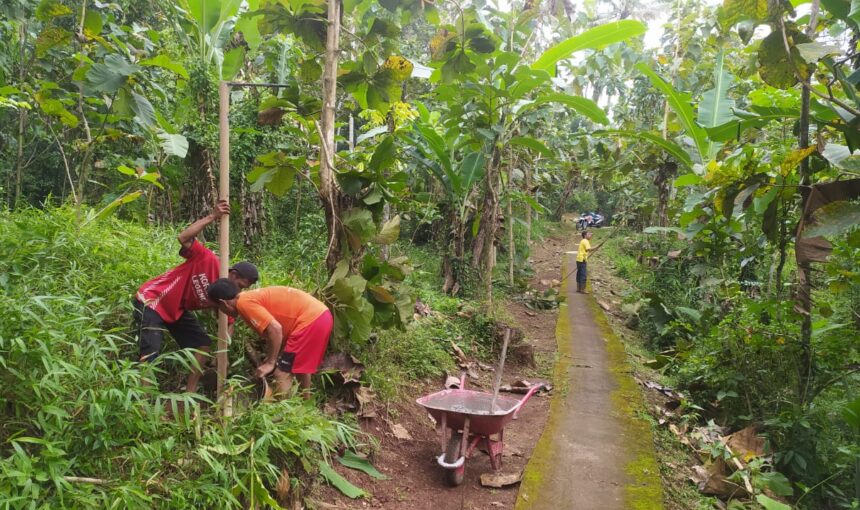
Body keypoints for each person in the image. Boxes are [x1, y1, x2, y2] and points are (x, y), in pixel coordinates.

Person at [133, 200, 259, 393]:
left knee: (203, 345)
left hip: (175, 311)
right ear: (233, 274)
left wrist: (222, 350)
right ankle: (142, 404)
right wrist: (212, 216)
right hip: (153, 300)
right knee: (150, 353)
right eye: (240, 285)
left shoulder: (227, 296)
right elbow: (183, 238)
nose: (239, 291)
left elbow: (229, 322)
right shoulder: (208, 260)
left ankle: (189, 395)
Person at [206, 279, 333, 399]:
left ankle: (286, 414)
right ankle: (307, 405)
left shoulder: (244, 304)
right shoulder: (248, 298)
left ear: (223, 303)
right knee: (296, 366)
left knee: (281, 373)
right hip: (320, 316)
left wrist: (270, 363)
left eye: (217, 308)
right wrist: (273, 355)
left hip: (310, 321)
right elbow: (278, 331)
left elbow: (276, 329)